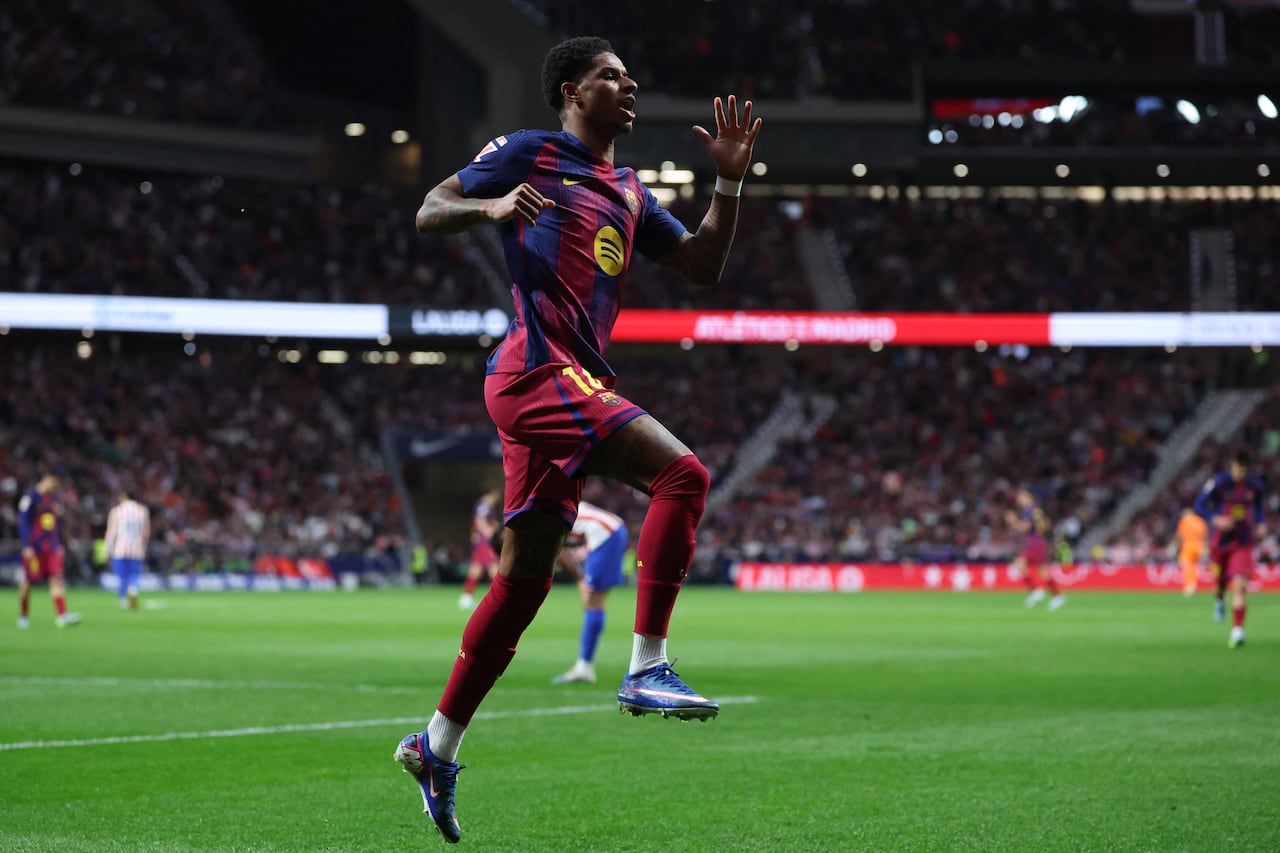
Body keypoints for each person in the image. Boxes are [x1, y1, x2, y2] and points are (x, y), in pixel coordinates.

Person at [393, 35, 762, 843]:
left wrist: (728, 182)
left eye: (632, 75)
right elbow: (430, 208)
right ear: (570, 90)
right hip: (534, 374)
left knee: (522, 585)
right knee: (684, 476)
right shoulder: (532, 152)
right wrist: (489, 206)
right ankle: (645, 666)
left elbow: (701, 265)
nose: (628, 85)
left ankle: (435, 745)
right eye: (610, 76)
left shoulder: (628, 189)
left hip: (568, 384)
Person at [550, 500, 629, 685]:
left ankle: (584, 667)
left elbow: (558, 550)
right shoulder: (552, 505)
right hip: (611, 530)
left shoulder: (544, 516)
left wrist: (579, 581)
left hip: (605, 534)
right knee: (594, 600)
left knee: (592, 598)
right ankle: (584, 666)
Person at [1194, 448, 1265, 648]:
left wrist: (1260, 523)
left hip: (1242, 541)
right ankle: (1219, 599)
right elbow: (1199, 505)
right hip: (1220, 541)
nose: (1240, 473)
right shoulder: (1219, 482)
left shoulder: (1255, 486)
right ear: (1231, 465)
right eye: (1237, 469)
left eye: (1244, 470)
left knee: (1240, 584)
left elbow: (1259, 508)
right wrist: (1215, 518)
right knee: (1220, 584)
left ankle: (1237, 631)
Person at [17, 473, 81, 628]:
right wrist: (27, 545)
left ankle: (62, 615)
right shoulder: (30, 498)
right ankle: (23, 616)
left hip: (52, 547)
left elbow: (56, 524)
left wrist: (59, 543)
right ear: (45, 480)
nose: (54, 489)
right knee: (27, 582)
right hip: (35, 548)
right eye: (53, 485)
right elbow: (23, 522)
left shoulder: (54, 499)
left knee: (56, 578)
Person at [1005, 487, 1065, 610]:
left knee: (1019, 564)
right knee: (1043, 572)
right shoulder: (1037, 510)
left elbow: (1025, 528)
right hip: (1040, 541)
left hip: (1033, 542)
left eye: (1021, 497)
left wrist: (1014, 521)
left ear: (1028, 497)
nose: (1019, 500)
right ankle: (1057, 596)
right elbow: (1047, 524)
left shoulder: (1028, 511)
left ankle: (1036, 591)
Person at [104, 488, 151, 611]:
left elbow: (111, 532)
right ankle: (133, 590)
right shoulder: (142, 511)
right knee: (134, 575)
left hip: (120, 549)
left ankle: (123, 601)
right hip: (137, 549)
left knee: (122, 577)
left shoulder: (116, 511)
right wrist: (143, 547)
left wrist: (107, 550)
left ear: (124, 496)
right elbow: (145, 533)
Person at [458, 491, 501, 609]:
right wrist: (489, 531)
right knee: (495, 569)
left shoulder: (483, 505)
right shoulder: (484, 504)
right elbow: (480, 520)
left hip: (480, 543)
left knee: (475, 569)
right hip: (485, 543)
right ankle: (496, 599)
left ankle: (466, 597)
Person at [1173, 506, 1208, 597]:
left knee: (1187, 566)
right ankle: (1194, 583)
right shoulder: (1200, 521)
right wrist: (1205, 547)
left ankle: (1190, 585)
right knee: (1195, 566)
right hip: (1199, 546)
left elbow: (1180, 536)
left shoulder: (1184, 522)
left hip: (1188, 545)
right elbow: (1205, 536)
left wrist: (1174, 547)